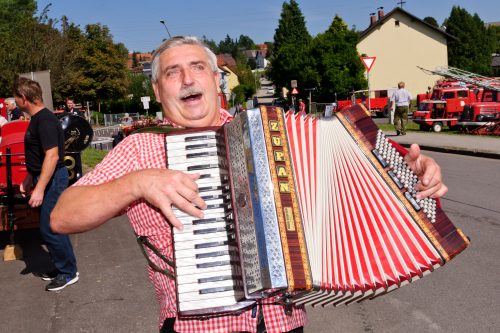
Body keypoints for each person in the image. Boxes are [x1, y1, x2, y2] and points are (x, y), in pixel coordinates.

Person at [51, 36, 448, 333]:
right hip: (197, 327)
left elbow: (350, 181)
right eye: (173, 73)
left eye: (198, 67)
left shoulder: (270, 132)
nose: (187, 78)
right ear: (158, 90)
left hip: (284, 322)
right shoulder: (141, 147)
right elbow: (63, 215)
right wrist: (135, 183)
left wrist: (413, 174)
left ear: (216, 79)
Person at [13, 77, 79, 292]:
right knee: (54, 226)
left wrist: (40, 188)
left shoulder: (45, 120)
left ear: (23, 98)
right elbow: (39, 156)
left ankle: (68, 272)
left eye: (15, 97)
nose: (12, 102)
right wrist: (29, 178)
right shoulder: (38, 119)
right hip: (45, 176)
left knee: (50, 227)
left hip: (53, 179)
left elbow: (51, 156)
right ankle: (63, 267)